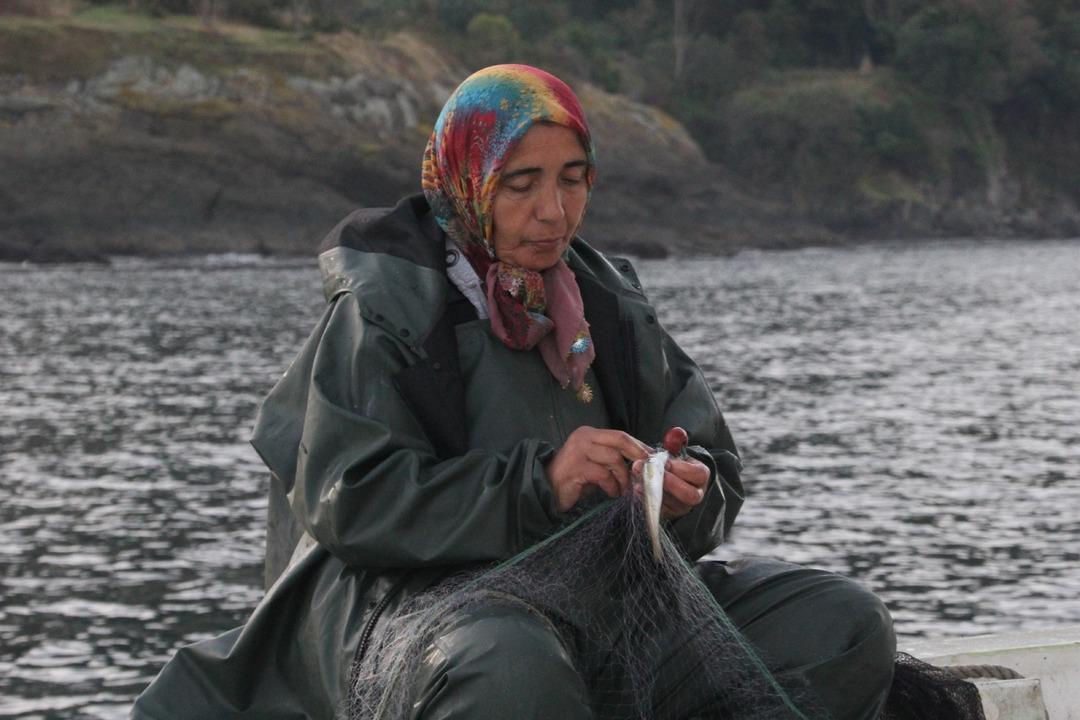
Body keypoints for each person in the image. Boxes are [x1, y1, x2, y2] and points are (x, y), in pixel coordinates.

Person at [132, 64, 895, 720]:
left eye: (572, 180)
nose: (553, 212)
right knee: (512, 668)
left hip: (604, 606)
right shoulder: (387, 309)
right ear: (466, 184)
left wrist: (684, 491)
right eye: (521, 184)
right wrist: (543, 484)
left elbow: (715, 465)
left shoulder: (610, 307)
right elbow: (354, 499)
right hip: (412, 618)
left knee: (840, 623)